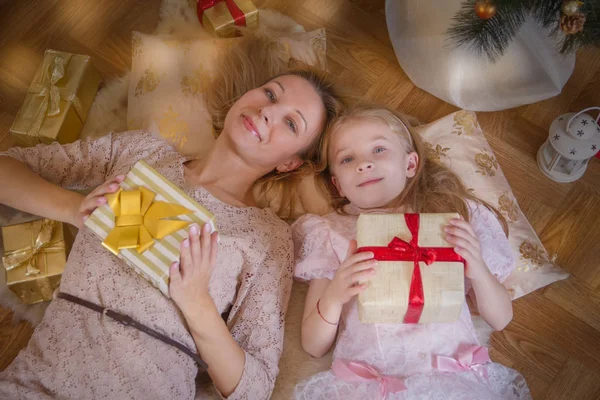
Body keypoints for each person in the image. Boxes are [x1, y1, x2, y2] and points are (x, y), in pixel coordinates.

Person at [0, 52, 343, 398]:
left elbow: (254, 389)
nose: (269, 110)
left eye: (291, 123)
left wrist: (198, 304)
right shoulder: (141, 152)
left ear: (289, 163)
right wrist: (74, 208)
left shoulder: (268, 239)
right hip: (35, 384)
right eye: (270, 93)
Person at [292, 104, 532, 399]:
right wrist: (334, 297)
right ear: (338, 185)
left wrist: (478, 269)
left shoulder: (451, 218)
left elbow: (500, 319)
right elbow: (313, 346)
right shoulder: (331, 234)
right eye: (347, 158)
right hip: (371, 386)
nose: (363, 164)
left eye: (378, 150)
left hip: (452, 378)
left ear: (411, 164)